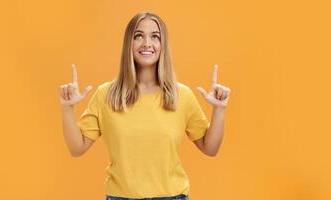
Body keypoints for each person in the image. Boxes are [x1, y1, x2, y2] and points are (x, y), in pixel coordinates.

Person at [59, 11, 231, 200]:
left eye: (155, 37)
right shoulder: (106, 95)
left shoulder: (181, 96)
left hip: (172, 197)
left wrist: (219, 109)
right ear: (128, 44)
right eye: (138, 36)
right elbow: (77, 148)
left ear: (162, 45)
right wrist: (67, 108)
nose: (147, 43)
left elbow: (210, 148)